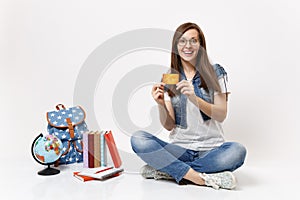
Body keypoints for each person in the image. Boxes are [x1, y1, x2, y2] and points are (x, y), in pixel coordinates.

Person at [130, 22, 246, 190]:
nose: (188, 46)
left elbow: (221, 114)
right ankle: (199, 178)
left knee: (237, 151)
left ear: (201, 45)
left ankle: (170, 171)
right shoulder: (171, 77)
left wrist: (194, 98)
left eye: (194, 41)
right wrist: (161, 104)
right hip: (179, 150)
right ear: (176, 46)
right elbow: (170, 126)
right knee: (139, 139)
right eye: (182, 41)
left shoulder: (216, 72)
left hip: (210, 150)